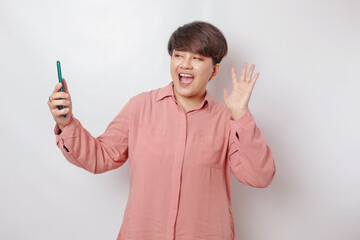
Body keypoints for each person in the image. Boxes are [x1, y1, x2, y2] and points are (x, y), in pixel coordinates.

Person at [47, 21, 276, 240]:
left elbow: (259, 176)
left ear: (214, 71)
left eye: (196, 58)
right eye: (178, 55)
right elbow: (100, 156)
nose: (185, 64)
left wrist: (241, 115)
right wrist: (67, 124)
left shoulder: (227, 120)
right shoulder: (140, 107)